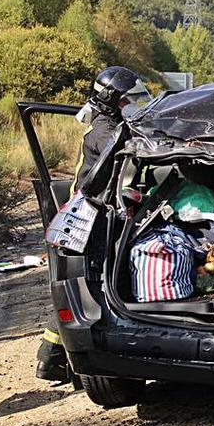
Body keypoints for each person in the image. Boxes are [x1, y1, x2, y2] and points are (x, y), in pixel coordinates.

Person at [36, 66, 151, 383]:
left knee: (79, 289)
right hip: (89, 218)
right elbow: (134, 156)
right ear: (113, 100)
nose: (133, 104)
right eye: (128, 99)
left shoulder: (111, 125)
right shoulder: (106, 132)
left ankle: (51, 360)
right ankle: (53, 359)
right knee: (86, 290)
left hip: (89, 213)